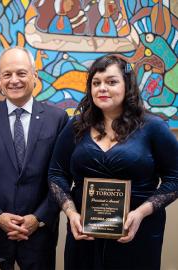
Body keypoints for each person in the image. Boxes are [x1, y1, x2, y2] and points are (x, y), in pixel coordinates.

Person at [48, 55, 178, 269]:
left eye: (111, 81)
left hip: (138, 233)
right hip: (84, 236)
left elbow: (175, 177)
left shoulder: (153, 127)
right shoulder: (76, 126)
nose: (102, 88)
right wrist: (70, 213)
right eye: (96, 83)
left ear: (127, 85)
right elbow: (56, 174)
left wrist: (141, 213)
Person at [0, 46, 69, 270]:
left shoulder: (58, 119)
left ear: (35, 76)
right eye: (7, 74)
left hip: (40, 232)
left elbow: (62, 176)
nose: (14, 80)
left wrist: (38, 217)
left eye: (21, 73)